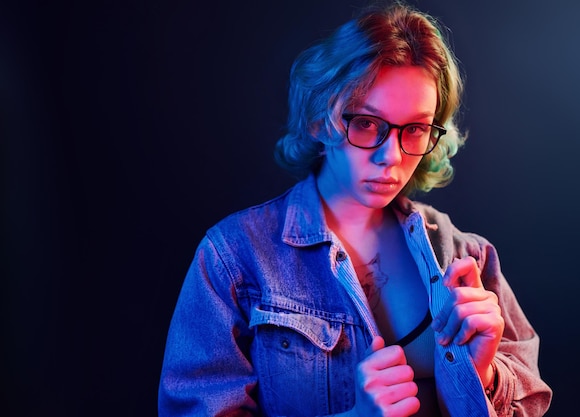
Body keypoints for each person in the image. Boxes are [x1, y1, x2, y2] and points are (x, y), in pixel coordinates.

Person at [158, 1, 553, 415]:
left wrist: (486, 377)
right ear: (319, 120)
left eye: (415, 129)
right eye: (366, 123)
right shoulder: (234, 259)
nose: (391, 156)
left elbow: (533, 402)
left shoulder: (469, 258)